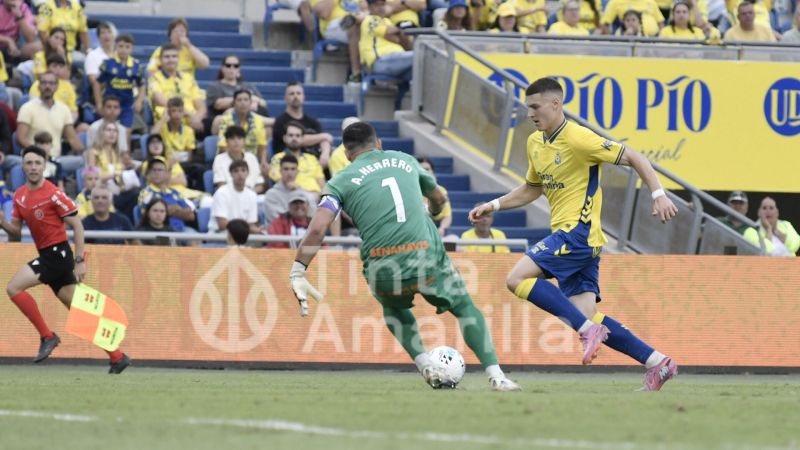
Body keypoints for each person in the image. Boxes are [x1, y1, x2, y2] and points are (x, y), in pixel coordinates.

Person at [468, 77, 679, 391]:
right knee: (586, 314)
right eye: (528, 108)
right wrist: (494, 205)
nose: (530, 114)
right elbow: (532, 188)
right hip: (577, 240)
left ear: (556, 104)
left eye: (536, 106)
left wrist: (658, 194)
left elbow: (635, 157)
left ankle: (586, 332)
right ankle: (657, 362)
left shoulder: (580, 139)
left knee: (516, 279)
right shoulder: (535, 143)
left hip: (577, 233)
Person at [289, 122, 521, 391]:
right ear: (378, 143)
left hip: (383, 267)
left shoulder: (339, 181)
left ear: (347, 153)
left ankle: (424, 363)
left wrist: (298, 270)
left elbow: (318, 227)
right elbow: (438, 197)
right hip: (425, 257)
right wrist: (433, 210)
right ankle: (497, 376)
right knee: (465, 308)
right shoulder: (405, 160)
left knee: (394, 308)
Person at [0, 146, 130, 373]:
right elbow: (15, 234)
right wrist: (2, 221)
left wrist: (80, 260)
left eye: (37, 163)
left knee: (13, 288)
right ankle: (117, 356)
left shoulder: (53, 193)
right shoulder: (20, 195)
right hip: (48, 256)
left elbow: (77, 226)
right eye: (29, 163)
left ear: (45, 165)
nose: (33, 167)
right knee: (78, 309)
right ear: (23, 165)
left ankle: (47, 336)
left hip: (59, 255)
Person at [16, 71, 84, 175]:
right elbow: (21, 138)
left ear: (57, 86)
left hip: (56, 159)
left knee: (83, 162)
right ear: (38, 86)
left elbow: (72, 139)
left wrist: (87, 152)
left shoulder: (63, 109)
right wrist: (39, 154)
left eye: (51, 83)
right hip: (33, 159)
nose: (47, 86)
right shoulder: (27, 108)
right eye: (44, 83)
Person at [148, 43, 206, 132]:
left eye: (174, 56)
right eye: (167, 57)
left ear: (178, 59)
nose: (171, 60)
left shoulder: (188, 78)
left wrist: (196, 119)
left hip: (192, 122)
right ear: (160, 60)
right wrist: (189, 114)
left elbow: (201, 106)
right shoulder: (155, 78)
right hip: (169, 123)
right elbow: (161, 100)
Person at [271, 82, 333, 164]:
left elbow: (325, 140)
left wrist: (325, 154)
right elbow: (295, 141)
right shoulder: (280, 122)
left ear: (304, 97)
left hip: (313, 164)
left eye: (298, 93)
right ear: (285, 98)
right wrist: (323, 136)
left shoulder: (312, 121)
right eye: (291, 94)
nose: (295, 96)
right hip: (288, 164)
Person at [95, 33, 146, 130]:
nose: (124, 49)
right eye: (121, 46)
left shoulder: (136, 66)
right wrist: (99, 103)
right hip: (110, 104)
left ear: (132, 49)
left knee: (126, 131)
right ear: (115, 47)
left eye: (127, 47)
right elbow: (97, 83)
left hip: (127, 106)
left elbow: (142, 85)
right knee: (107, 129)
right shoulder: (107, 63)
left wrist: (139, 101)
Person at [359, 0, 414, 83]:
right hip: (380, 61)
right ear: (370, 7)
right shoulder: (370, 19)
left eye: (382, 5)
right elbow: (389, 31)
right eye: (377, 5)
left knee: (421, 70)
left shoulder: (386, 21)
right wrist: (399, 31)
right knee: (422, 55)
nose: (381, 8)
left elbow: (399, 40)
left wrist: (398, 32)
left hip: (395, 60)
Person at [214, 89, 270, 168]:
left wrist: (263, 162)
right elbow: (223, 146)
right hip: (230, 160)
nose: (242, 103)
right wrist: (238, 161)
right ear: (234, 103)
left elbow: (262, 146)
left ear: (250, 102)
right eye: (239, 100)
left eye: (246, 100)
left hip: (251, 160)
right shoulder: (226, 121)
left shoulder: (258, 120)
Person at [138, 156, 196, 232]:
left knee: (194, 237)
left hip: (182, 230)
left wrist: (172, 210)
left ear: (167, 174)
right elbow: (147, 214)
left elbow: (191, 216)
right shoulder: (145, 193)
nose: (157, 173)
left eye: (160, 170)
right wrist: (178, 209)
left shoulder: (175, 193)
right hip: (159, 230)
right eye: (153, 170)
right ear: (148, 175)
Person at [269, 121, 325, 197]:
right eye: (291, 135)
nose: (294, 138)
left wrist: (323, 195)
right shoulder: (278, 158)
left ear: (302, 139)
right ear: (284, 138)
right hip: (292, 197)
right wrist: (303, 193)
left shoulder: (312, 158)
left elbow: (321, 182)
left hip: (316, 198)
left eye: (297, 136)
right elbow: (281, 181)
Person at [205, 55, 268, 122]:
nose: (232, 68)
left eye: (236, 66)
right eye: (228, 65)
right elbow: (218, 104)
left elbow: (263, 103)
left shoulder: (248, 85)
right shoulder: (215, 86)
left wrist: (254, 101)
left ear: (239, 69)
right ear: (222, 68)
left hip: (251, 118)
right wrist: (247, 100)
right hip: (226, 121)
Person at [263, 153, 316, 226]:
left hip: (302, 232)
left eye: (293, 169)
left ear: (297, 172)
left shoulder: (303, 193)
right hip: (279, 235)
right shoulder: (271, 194)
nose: (289, 173)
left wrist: (299, 190)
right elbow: (278, 221)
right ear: (280, 171)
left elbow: (313, 216)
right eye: (286, 169)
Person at [210, 159, 260, 234]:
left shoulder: (252, 195)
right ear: (230, 174)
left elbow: (251, 224)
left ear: (248, 173)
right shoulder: (221, 193)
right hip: (220, 234)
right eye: (236, 171)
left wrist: (260, 231)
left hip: (243, 235)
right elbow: (222, 225)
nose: (240, 174)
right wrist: (248, 228)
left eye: (243, 170)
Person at [212, 125, 266, 193]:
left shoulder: (252, 158)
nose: (236, 141)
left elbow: (260, 185)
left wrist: (248, 195)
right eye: (232, 138)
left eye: (239, 138)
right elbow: (220, 185)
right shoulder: (219, 159)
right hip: (229, 197)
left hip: (251, 195)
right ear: (226, 142)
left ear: (244, 141)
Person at [29, 54, 78, 122]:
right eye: (54, 66)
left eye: (61, 66)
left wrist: (67, 123)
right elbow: (34, 106)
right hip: (41, 119)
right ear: (47, 67)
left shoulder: (68, 86)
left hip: (64, 121)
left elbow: (73, 111)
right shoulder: (38, 84)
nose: (58, 69)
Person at [417, 157, 452, 237]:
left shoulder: (441, 191)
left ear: (433, 172)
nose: (424, 172)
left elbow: (447, 216)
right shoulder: (410, 190)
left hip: (434, 230)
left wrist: (442, 228)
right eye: (420, 169)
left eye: (427, 169)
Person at [84, 21, 114, 93]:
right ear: (98, 37)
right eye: (103, 33)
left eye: (109, 32)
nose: (106, 35)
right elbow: (93, 81)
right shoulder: (92, 55)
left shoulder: (120, 54)